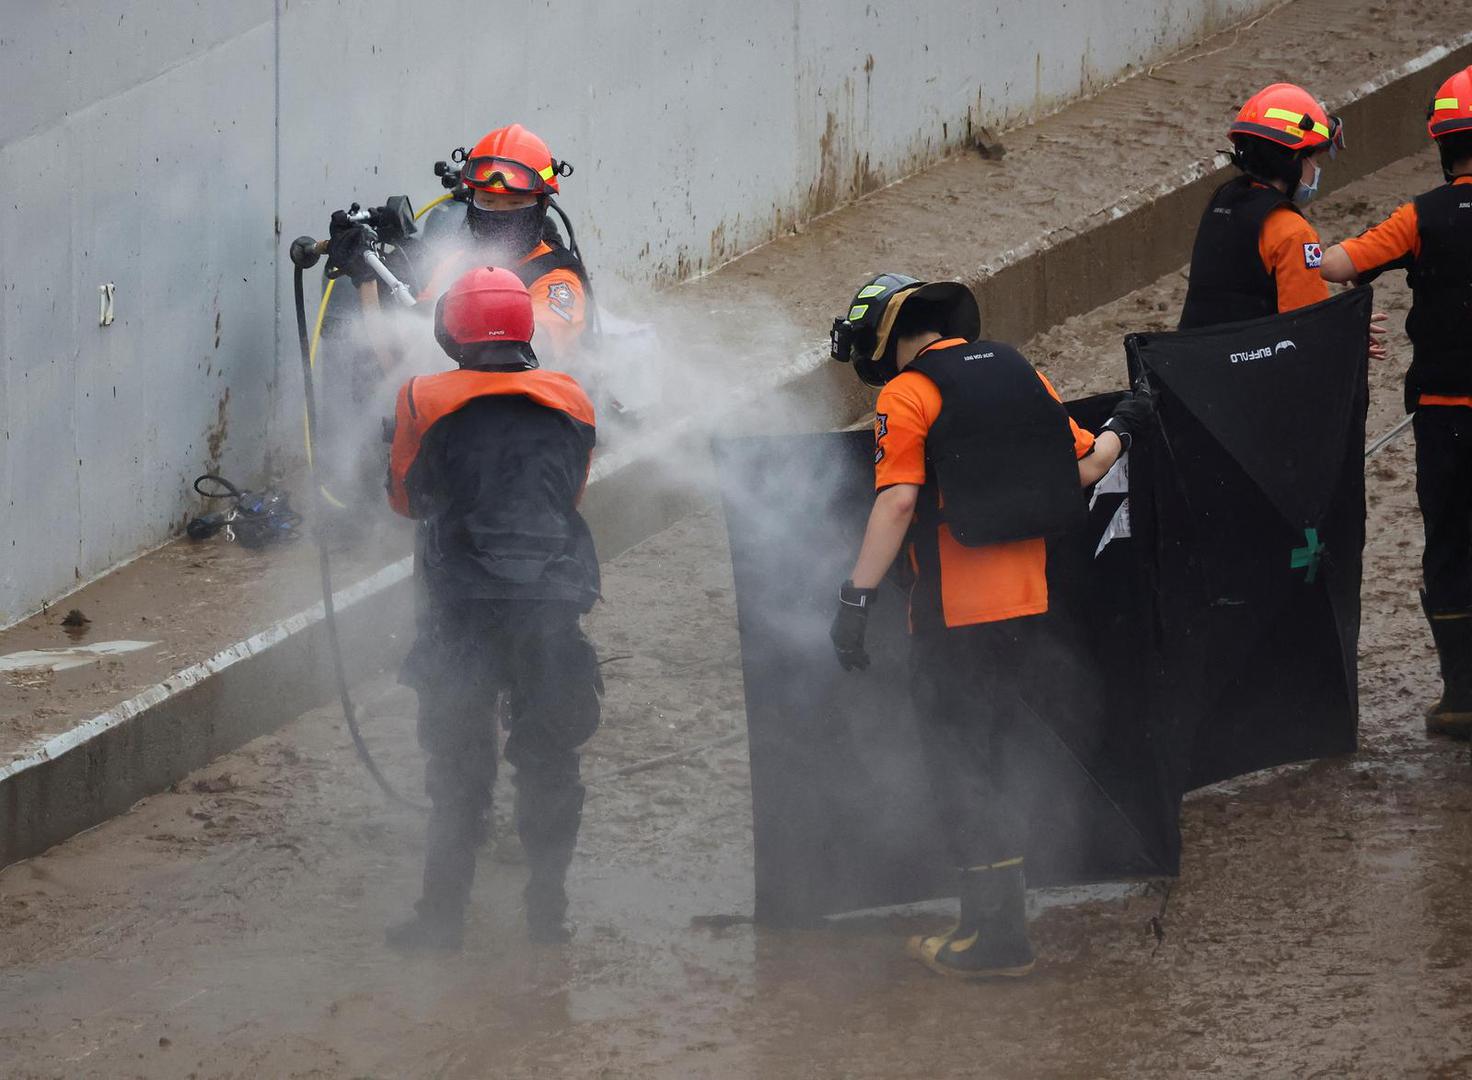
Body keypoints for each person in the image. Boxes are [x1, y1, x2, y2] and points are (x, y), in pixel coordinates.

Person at [826, 273, 1152, 979]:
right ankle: (988, 926)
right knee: (1000, 761)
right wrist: (1128, 423)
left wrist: (855, 600)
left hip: (954, 619)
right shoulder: (1019, 372)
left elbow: (898, 503)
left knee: (960, 769)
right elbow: (1088, 465)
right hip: (1027, 610)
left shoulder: (906, 395)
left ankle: (996, 940)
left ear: (887, 338)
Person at [384, 265, 602, 949]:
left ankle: (442, 920)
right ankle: (548, 915)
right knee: (551, 760)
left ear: (452, 331)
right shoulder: (573, 399)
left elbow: (404, 499)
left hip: (463, 609)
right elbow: (571, 496)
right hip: (552, 604)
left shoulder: (422, 397)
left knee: (457, 765)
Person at [1319, 66, 1472, 739]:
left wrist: (1298, 237)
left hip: (1445, 415)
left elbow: (1335, 264)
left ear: (1442, 144)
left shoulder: (1418, 216)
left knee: (1449, 548)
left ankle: (1462, 698)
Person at [328, 123, 593, 367]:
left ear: (542, 206)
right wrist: (367, 278)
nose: (499, 214)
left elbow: (528, 356)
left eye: (514, 204)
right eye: (487, 203)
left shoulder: (557, 280)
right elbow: (406, 359)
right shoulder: (458, 262)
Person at [1178, 83, 1346, 329]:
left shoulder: (1220, 202)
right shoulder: (1292, 232)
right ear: (1295, 158)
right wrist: (1349, 328)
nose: (1316, 170)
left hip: (1200, 358)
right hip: (1254, 363)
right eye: (1315, 159)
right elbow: (1308, 329)